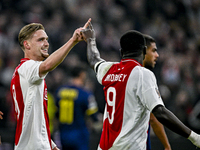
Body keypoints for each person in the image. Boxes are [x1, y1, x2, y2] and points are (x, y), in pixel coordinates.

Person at [81, 21, 200, 150]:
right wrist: (194, 137)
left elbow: (94, 59)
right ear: (144, 50)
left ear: (121, 52)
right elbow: (160, 112)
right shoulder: (142, 74)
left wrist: (91, 39)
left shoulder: (108, 68)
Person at [10, 19, 91, 150]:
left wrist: (51, 145)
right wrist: (73, 41)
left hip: (37, 144)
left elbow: (36, 120)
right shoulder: (27, 67)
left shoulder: (29, 74)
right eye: (40, 40)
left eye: (46, 39)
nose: (46, 44)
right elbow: (47, 65)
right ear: (27, 45)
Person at [55, 65, 102, 150]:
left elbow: (56, 113)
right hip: (80, 135)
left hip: (63, 134)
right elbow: (94, 116)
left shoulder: (60, 91)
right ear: (82, 75)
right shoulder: (85, 94)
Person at [143, 34, 171, 150]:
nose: (157, 55)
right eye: (153, 51)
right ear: (143, 51)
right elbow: (153, 118)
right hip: (136, 143)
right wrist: (166, 145)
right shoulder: (145, 76)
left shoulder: (118, 72)